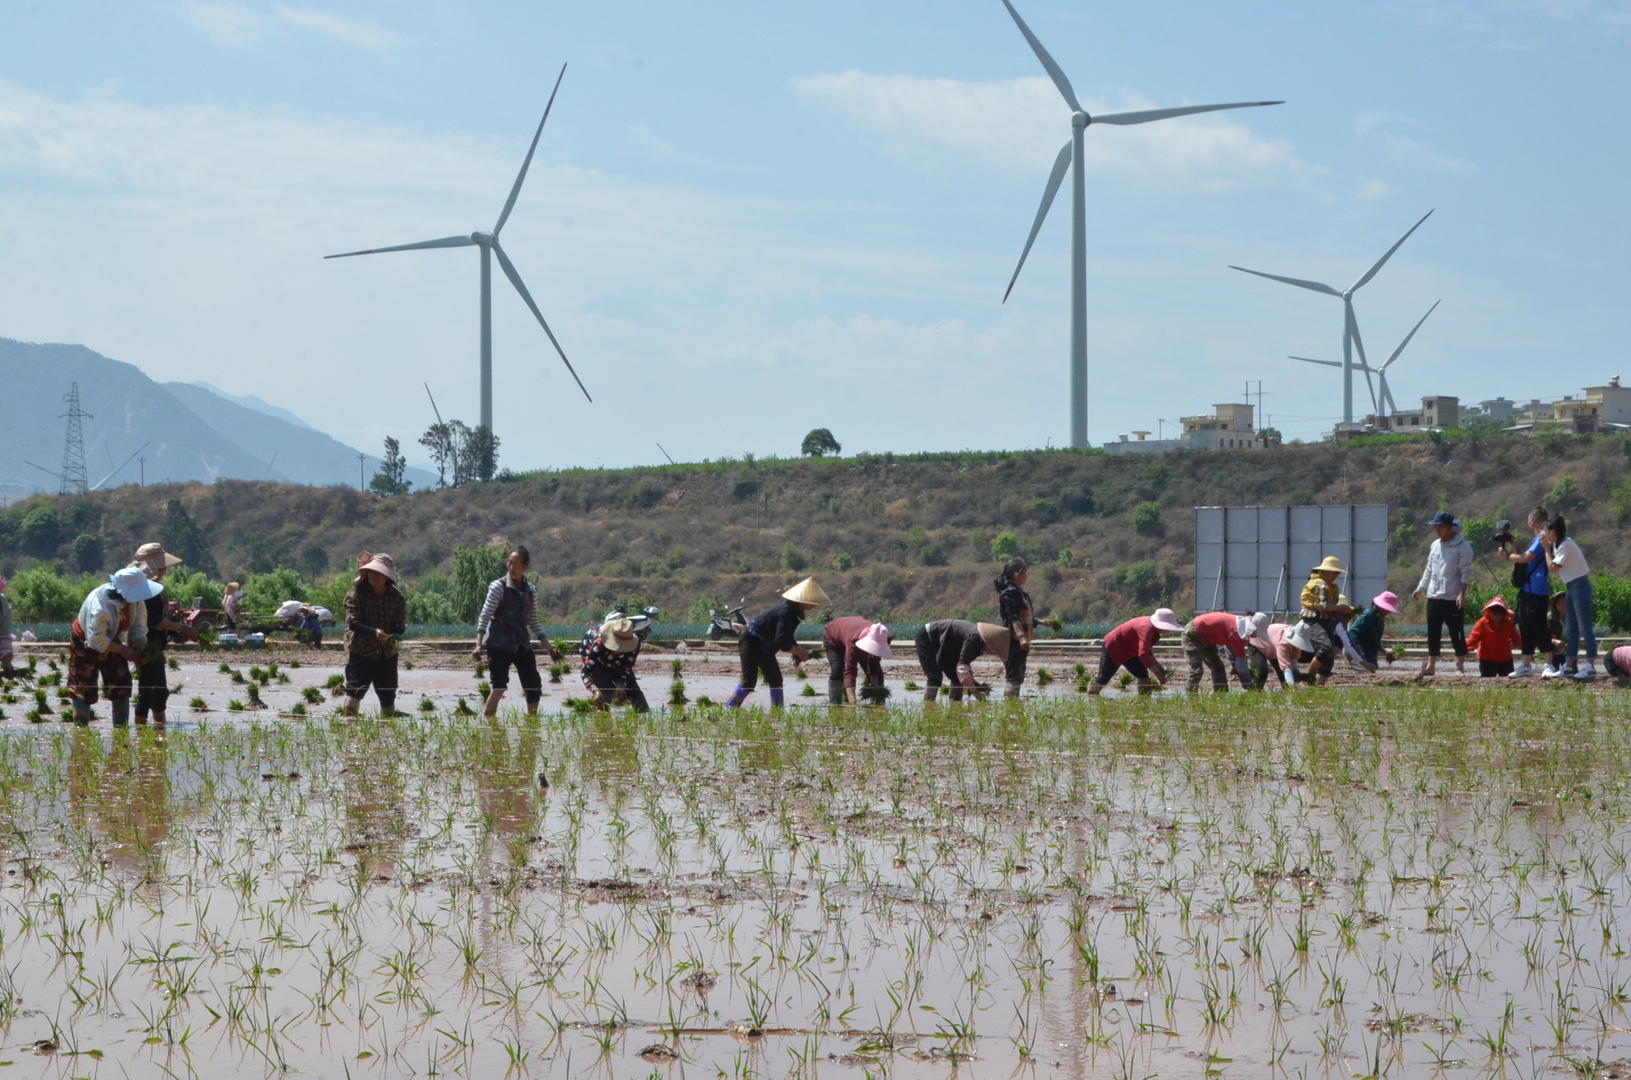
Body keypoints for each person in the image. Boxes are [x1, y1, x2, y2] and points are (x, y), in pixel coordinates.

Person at [473, 546, 562, 717]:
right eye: (509, 563)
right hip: (499, 645)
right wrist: (478, 645)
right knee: (499, 686)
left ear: (525, 566)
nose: (512, 567)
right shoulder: (498, 587)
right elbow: (485, 616)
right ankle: (489, 721)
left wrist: (549, 647)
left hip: (521, 644)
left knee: (533, 686)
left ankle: (532, 722)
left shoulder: (531, 590)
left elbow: (533, 621)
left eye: (516, 564)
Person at [68, 566, 162, 726]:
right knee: (84, 688)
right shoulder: (101, 606)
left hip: (111, 638)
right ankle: (81, 731)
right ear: (124, 593)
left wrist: (139, 650)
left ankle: (120, 731)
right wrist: (124, 651)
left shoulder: (136, 602)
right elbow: (96, 639)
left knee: (121, 684)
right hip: (85, 640)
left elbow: (138, 628)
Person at [727, 577, 830, 709]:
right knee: (749, 682)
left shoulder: (793, 613)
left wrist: (798, 650)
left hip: (765, 645)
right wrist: (799, 652)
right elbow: (781, 642)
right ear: (802, 601)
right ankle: (730, 707)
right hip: (751, 641)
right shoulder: (786, 612)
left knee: (776, 680)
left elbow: (787, 636)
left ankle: (777, 710)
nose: (814, 606)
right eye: (812, 602)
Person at [130, 542, 200, 726]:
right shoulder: (148, 589)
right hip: (147, 645)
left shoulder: (142, 585)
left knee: (158, 693)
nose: (164, 571)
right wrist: (184, 629)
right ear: (154, 566)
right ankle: (144, 735)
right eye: (162, 567)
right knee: (147, 692)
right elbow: (155, 621)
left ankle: (159, 732)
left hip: (151, 644)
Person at [342, 552, 407, 716]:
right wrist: (374, 632)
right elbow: (353, 622)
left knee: (388, 696)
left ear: (387, 577)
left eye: (379, 573)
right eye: (372, 572)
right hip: (362, 650)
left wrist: (392, 634)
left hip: (387, 653)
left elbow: (400, 626)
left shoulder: (397, 597)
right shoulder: (357, 593)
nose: (374, 575)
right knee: (354, 693)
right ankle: (347, 727)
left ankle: (388, 734)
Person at [1411, 511, 1473, 676]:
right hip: (1434, 595)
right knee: (1433, 631)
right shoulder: (1435, 545)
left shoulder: (1462, 546)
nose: (1437, 530)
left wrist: (1462, 593)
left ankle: (1460, 665)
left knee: (1456, 631)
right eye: (1435, 527)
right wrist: (1421, 587)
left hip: (1452, 596)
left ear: (1449, 527)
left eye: (1440, 526)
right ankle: (1431, 665)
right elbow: (1429, 569)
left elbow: (1465, 572)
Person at [1544, 515, 1596, 680]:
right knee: (1572, 628)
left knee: (1584, 627)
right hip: (1571, 586)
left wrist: (1545, 549)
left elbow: (1553, 568)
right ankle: (1568, 664)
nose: (1547, 534)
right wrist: (1546, 543)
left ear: (1555, 531)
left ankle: (1590, 665)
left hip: (1580, 585)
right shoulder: (1558, 544)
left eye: (1548, 531)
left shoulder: (1566, 545)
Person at [1503, 507, 1552, 678]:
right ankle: (1526, 664)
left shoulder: (1542, 537)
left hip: (1537, 591)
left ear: (1532, 520)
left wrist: (1508, 556)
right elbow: (1524, 559)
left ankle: (1549, 663)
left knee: (1539, 626)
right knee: (1525, 628)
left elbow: (1526, 558)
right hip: (1527, 590)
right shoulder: (1536, 539)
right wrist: (1515, 546)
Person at [914, 620, 1010, 703]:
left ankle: (955, 704)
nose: (991, 653)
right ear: (989, 642)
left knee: (957, 677)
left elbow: (964, 665)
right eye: (993, 649)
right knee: (934, 677)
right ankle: (928, 706)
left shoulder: (979, 645)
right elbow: (962, 669)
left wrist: (971, 683)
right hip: (927, 637)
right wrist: (977, 694)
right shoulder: (974, 638)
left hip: (947, 645)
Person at [1088, 608, 1180, 695]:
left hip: (1130, 651)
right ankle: (1091, 696)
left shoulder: (1153, 630)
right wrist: (1157, 673)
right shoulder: (1146, 628)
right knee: (1103, 678)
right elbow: (1143, 654)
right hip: (1114, 647)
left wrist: (1159, 667)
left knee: (1142, 675)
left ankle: (1144, 702)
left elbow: (1146, 651)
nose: (1169, 630)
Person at [1181, 611, 1270, 692]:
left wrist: (1236, 666)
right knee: (1196, 670)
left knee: (1217, 666)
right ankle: (1191, 697)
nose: (1257, 636)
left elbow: (1231, 653)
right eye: (1257, 633)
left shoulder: (1239, 626)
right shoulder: (1236, 632)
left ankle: (1221, 693)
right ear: (1252, 628)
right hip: (1193, 634)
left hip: (1207, 638)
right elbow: (1241, 663)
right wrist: (1247, 684)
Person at [1299, 557, 1351, 685]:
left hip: (1326, 620)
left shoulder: (1333, 587)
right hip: (1313, 619)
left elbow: (1331, 606)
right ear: (1325, 572)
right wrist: (1340, 608)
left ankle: (1318, 686)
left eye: (1337, 573)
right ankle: (1308, 680)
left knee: (1329, 657)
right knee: (1325, 648)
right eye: (1334, 572)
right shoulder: (1319, 584)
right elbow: (1322, 606)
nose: (1336, 575)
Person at [579, 616, 648, 711]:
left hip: (617, 662)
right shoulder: (599, 643)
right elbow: (585, 672)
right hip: (598, 661)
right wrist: (595, 690)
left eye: (624, 647)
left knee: (633, 689)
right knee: (605, 693)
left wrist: (621, 684)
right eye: (618, 646)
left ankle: (643, 714)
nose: (620, 650)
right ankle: (602, 717)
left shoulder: (634, 646)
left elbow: (626, 668)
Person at [994, 557, 1038, 699]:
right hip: (1012, 641)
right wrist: (1021, 638)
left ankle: (1012, 704)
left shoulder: (1019, 593)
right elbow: (1013, 617)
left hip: (1020, 640)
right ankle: (1010, 707)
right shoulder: (1010, 593)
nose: (1027, 576)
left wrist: (1042, 622)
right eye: (1025, 573)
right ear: (1016, 574)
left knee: (1018, 675)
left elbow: (1024, 617)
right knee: (1014, 675)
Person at [822, 617, 892, 704]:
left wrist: (875, 687)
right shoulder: (853, 642)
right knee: (838, 668)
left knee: (876, 669)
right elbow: (850, 670)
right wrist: (853, 701)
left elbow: (874, 662)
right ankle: (835, 702)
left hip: (851, 631)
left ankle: (879, 700)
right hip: (833, 637)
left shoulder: (884, 636)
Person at [1465, 596, 1523, 677]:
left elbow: (1516, 638)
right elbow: (1473, 638)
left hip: (1505, 659)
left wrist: (1525, 649)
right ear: (1488, 611)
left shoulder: (1508, 623)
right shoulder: (1481, 623)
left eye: (1499, 613)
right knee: (1487, 681)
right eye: (1494, 612)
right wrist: (1465, 648)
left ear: (1503, 613)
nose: (1496, 615)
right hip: (1487, 659)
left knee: (1507, 681)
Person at [1346, 591, 1401, 672]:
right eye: (1386, 609)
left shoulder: (1380, 620)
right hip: (1359, 651)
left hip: (1369, 653)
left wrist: (1384, 651)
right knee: (1368, 672)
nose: (1388, 612)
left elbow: (1374, 641)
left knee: (1373, 668)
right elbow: (1352, 634)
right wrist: (1360, 657)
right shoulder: (1367, 615)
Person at [0, 574, 15, 677]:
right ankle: (8, 670)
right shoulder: (3, 598)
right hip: (4, 633)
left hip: (2, 630)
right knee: (6, 656)